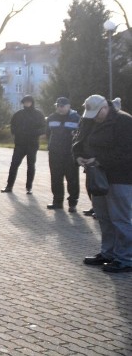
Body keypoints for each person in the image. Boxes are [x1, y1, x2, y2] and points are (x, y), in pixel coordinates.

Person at [73, 94, 132, 273]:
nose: (95, 118)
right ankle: (108, 253)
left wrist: (99, 160)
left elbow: (127, 153)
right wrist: (78, 156)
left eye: (97, 114)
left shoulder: (124, 121)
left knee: (120, 219)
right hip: (97, 176)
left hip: (120, 178)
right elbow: (79, 141)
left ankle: (126, 258)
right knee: (104, 218)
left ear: (105, 107)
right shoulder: (90, 119)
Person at [2, 95, 45, 194]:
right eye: (25, 102)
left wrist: (34, 132)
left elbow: (43, 128)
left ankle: (29, 187)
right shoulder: (18, 114)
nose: (27, 104)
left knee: (31, 165)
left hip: (32, 144)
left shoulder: (38, 114)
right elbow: (12, 126)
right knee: (14, 165)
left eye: (29, 102)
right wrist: (17, 132)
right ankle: (9, 186)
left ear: (32, 103)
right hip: (20, 144)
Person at [45, 97, 81, 212]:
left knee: (72, 179)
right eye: (58, 106)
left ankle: (72, 203)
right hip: (55, 152)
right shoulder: (51, 117)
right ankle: (57, 201)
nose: (60, 108)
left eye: (62, 106)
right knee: (56, 178)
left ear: (68, 106)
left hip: (70, 153)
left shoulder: (76, 118)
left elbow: (80, 136)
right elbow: (48, 133)